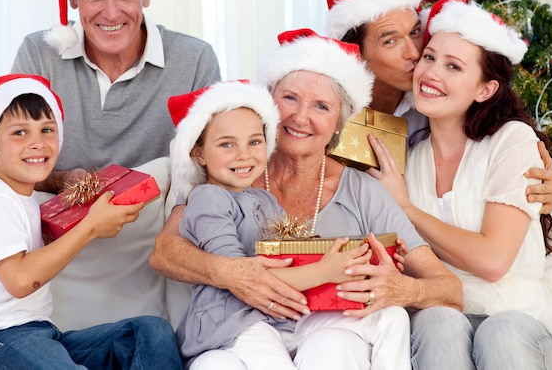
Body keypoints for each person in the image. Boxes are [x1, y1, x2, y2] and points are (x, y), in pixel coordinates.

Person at [150, 29, 463, 368]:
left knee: (340, 344)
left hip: (330, 342)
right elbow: (165, 253)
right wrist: (231, 274)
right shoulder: (237, 169)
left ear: (339, 123)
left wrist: (403, 290)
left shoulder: (363, 191)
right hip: (237, 340)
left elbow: (450, 289)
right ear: (268, 103)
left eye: (321, 106)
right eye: (290, 98)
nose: (301, 117)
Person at [10, 0, 221, 329]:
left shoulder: (194, 59)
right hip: (55, 238)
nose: (110, 12)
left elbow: (209, 172)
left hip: (152, 239)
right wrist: (62, 181)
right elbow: (7, 160)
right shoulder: (39, 53)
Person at [367, 0, 552, 369]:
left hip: (515, 320)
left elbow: (493, 261)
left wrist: (407, 209)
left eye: (453, 66)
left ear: (485, 90)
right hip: (443, 313)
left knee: (501, 330)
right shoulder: (407, 159)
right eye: (429, 57)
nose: (431, 74)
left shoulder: (512, 140)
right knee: (437, 320)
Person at [169, 79, 411, 369]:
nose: (244, 155)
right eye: (226, 144)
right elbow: (245, 277)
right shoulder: (208, 199)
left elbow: (293, 255)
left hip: (274, 313)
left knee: (391, 316)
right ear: (198, 154)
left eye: (254, 142)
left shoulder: (261, 199)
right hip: (232, 321)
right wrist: (324, 270)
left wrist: (369, 254)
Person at [0, 74, 182, 369]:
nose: (37, 143)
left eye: (47, 129)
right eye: (20, 133)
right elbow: (20, 280)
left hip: (40, 335)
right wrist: (90, 227)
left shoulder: (21, 198)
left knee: (149, 332)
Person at [324, 0, 552, 213]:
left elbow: (500, 137)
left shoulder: (437, 99)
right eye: (391, 41)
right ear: (355, 52)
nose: (415, 53)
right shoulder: (327, 108)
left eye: (415, 32)